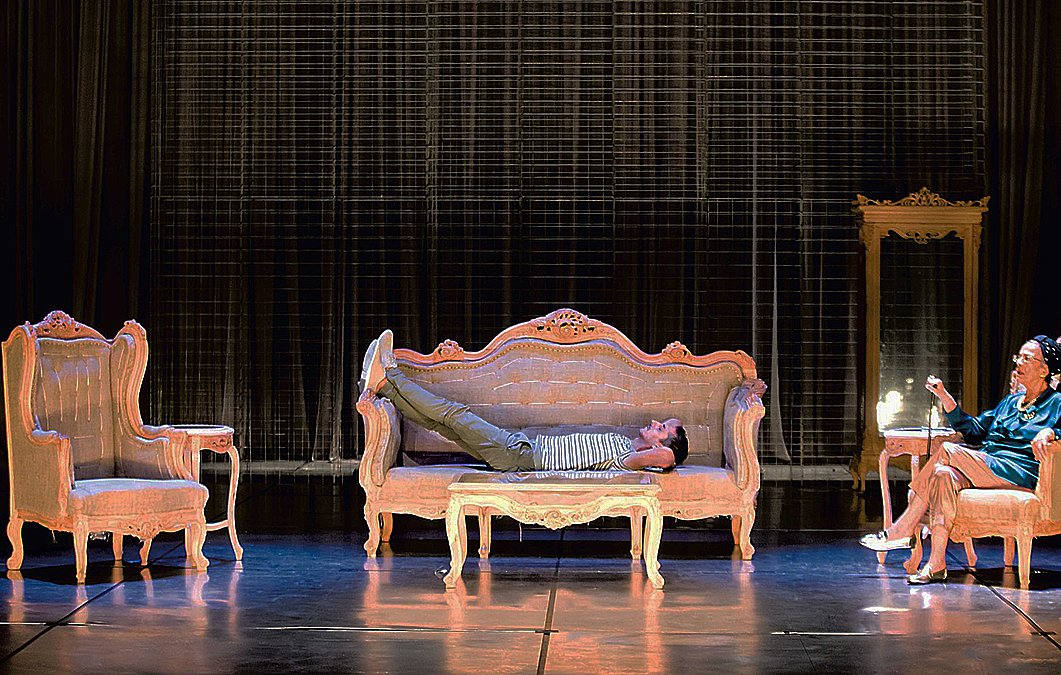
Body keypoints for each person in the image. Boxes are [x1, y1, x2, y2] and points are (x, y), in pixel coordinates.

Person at [859, 335, 1061, 584]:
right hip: (991, 464)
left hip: (1019, 470)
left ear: (1044, 370)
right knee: (944, 475)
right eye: (1018, 357)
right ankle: (936, 564)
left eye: (1027, 358)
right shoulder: (1010, 402)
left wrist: (1051, 431)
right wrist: (945, 397)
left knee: (947, 450)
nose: (1019, 362)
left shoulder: (1057, 402)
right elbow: (975, 429)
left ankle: (903, 528)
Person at [360, 330, 689, 472]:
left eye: (665, 429)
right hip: (520, 448)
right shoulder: (626, 444)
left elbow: (666, 459)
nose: (657, 423)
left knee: (453, 414)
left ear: (664, 446)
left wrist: (668, 449)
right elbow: (662, 452)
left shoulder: (630, 459)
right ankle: (385, 387)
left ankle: (392, 374)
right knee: (441, 423)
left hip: (521, 455)